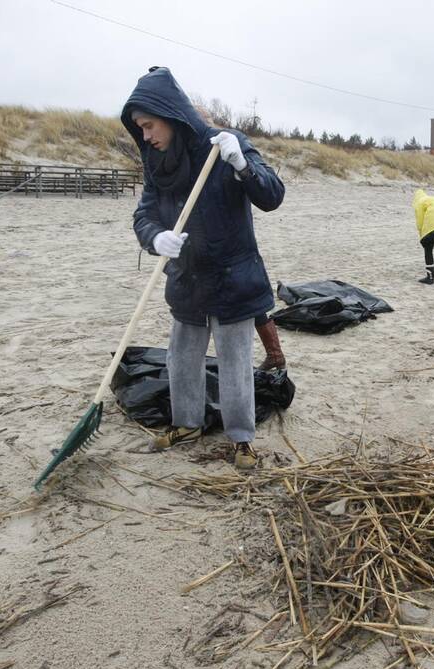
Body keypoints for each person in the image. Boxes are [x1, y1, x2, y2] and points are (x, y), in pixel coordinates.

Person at [122, 66, 285, 471]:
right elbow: (144, 214)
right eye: (140, 129)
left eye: (149, 125)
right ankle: (187, 424)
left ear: (171, 115)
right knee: (181, 359)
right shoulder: (158, 163)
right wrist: (155, 237)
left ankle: (241, 440)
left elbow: (272, 195)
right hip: (187, 280)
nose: (146, 136)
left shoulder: (226, 145)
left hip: (233, 277)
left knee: (234, 364)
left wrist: (242, 166)